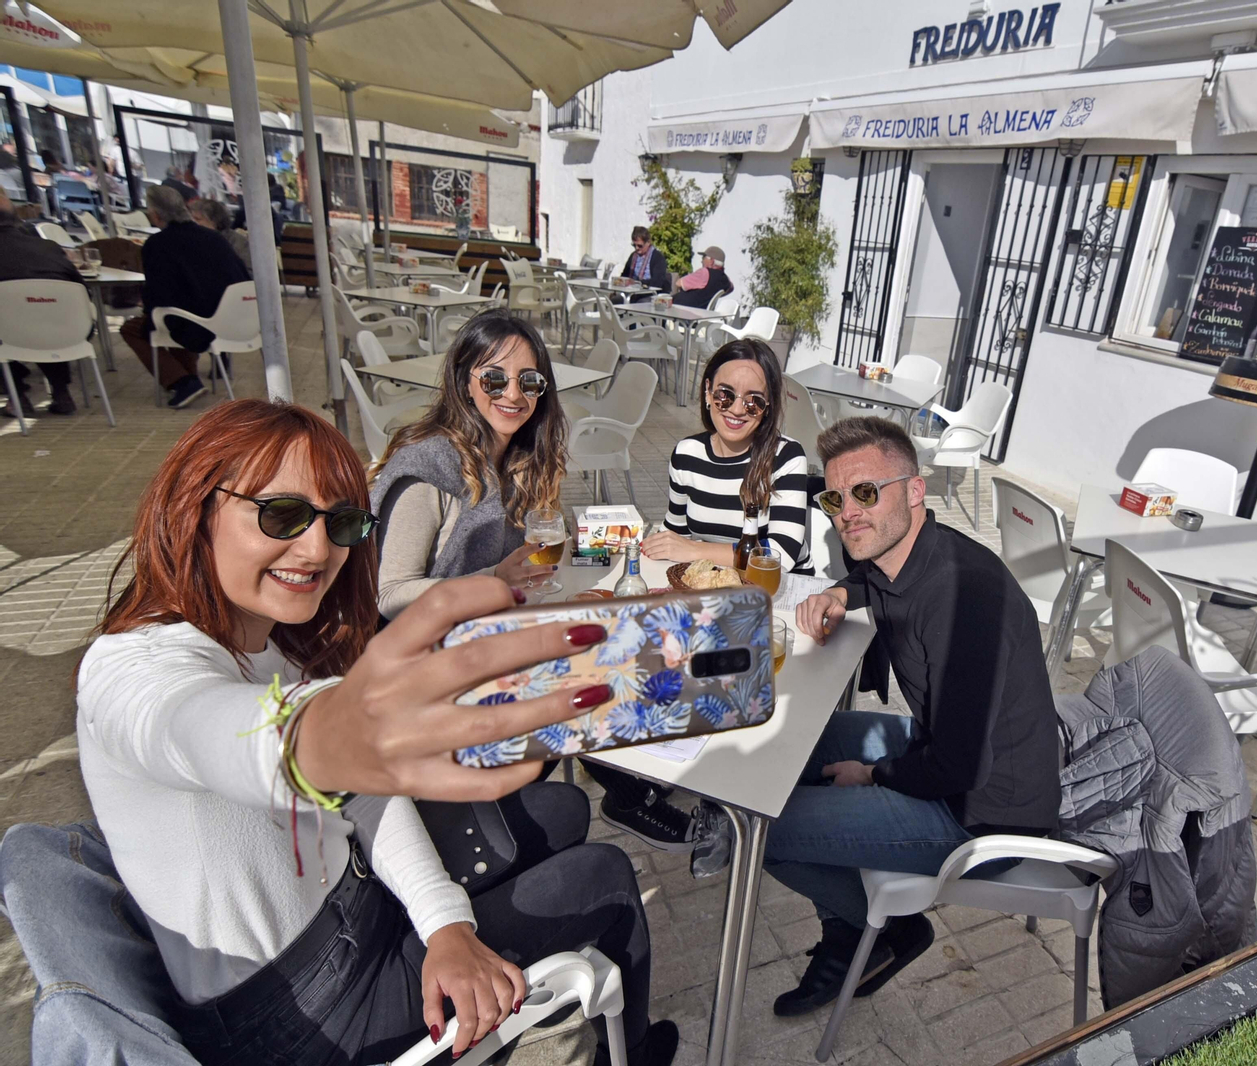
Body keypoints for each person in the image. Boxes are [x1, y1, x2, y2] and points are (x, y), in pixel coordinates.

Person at [77, 398, 678, 1066]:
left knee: (561, 804)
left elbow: (359, 792)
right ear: (193, 508)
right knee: (605, 874)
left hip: (345, 912)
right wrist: (325, 735)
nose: (317, 549)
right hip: (298, 1014)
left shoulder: (269, 644)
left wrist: (445, 923)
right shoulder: (127, 669)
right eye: (281, 514)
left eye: (342, 522)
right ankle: (637, 1052)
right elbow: (202, 729)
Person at [368, 310, 696, 855]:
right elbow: (391, 596)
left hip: (484, 640)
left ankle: (623, 788)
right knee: (588, 673)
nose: (513, 394)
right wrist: (494, 580)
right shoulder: (427, 468)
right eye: (495, 379)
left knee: (613, 643)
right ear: (464, 381)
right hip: (424, 669)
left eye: (529, 381)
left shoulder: (516, 459)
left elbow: (532, 557)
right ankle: (602, 801)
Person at [772, 416, 1063, 1017]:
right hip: (949, 754)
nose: (848, 513)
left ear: (914, 490)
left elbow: (957, 767)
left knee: (765, 831)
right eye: (835, 499)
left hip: (984, 814)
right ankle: (851, 924)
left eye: (866, 492)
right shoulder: (907, 550)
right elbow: (870, 576)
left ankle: (881, 930)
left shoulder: (964, 598)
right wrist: (839, 593)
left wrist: (872, 776)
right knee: (800, 742)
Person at [643, 338, 812, 574]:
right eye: (725, 394)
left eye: (754, 401)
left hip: (779, 587)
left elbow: (781, 554)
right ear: (708, 391)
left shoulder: (785, 456)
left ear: (768, 407)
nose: (737, 409)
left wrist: (695, 550)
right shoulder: (687, 454)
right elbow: (675, 534)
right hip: (717, 581)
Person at [118, 185, 250, 409]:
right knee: (177, 312)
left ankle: (181, 382)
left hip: (200, 323)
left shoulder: (158, 245)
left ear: (155, 215)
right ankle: (187, 375)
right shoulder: (215, 238)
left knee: (140, 326)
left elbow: (159, 293)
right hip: (237, 317)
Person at [0, 187, 83, 417]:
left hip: (11, 336)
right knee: (44, 314)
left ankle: (17, 397)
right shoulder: (49, 247)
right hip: (69, 332)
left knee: (16, 323)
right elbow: (81, 290)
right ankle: (61, 392)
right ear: (16, 218)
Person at [192, 196, 252, 277]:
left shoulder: (236, 241)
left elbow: (249, 272)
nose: (193, 223)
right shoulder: (194, 241)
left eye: (197, 219)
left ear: (214, 221)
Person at [619, 225, 669, 298]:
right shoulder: (633, 256)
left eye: (640, 246)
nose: (636, 248)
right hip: (630, 293)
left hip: (648, 294)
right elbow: (625, 275)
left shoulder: (657, 257)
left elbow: (657, 282)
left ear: (648, 242)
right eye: (634, 245)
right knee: (613, 300)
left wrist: (637, 283)